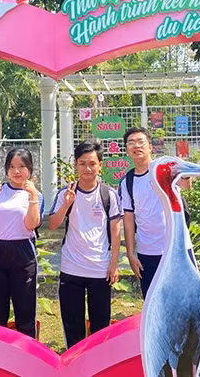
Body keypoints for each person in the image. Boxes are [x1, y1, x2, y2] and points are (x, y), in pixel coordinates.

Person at [48, 141, 122, 348]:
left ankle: (98, 365)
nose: (87, 169)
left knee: (100, 328)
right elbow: (53, 225)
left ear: (100, 165)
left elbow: (116, 230)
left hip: (100, 269)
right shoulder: (66, 193)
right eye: (82, 164)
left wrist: (114, 263)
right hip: (71, 269)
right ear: (76, 166)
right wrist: (66, 204)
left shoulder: (109, 195)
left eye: (92, 163)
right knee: (73, 328)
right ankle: (75, 366)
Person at [0, 148, 44, 338]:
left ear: (29, 169)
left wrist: (32, 197)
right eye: (12, 167)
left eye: (21, 166)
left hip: (22, 253)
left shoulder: (36, 195)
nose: (16, 171)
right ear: (6, 169)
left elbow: (31, 224)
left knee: (25, 309)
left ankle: (27, 357)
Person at [120, 126, 194, 299]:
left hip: (178, 248)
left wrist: (183, 171)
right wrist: (131, 253)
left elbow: (186, 185)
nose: (136, 146)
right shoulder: (127, 182)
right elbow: (129, 219)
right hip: (148, 252)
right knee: (154, 302)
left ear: (150, 147)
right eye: (131, 143)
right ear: (127, 150)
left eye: (140, 142)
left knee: (184, 299)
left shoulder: (164, 169)